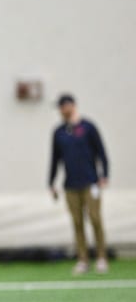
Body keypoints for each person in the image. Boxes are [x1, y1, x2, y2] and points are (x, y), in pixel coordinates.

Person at [48, 93, 109, 275]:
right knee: (77, 222)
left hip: (91, 182)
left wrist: (104, 174)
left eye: (64, 106)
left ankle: (101, 257)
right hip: (70, 185)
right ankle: (83, 259)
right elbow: (55, 159)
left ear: (72, 106)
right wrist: (51, 182)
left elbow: (101, 152)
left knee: (95, 219)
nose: (62, 111)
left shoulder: (88, 127)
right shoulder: (59, 132)